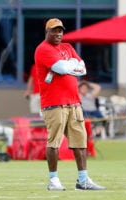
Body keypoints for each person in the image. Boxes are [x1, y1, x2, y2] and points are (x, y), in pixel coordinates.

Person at [34, 18, 105, 191]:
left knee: (80, 142)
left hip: (74, 102)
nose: (58, 34)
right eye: (54, 31)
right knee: (54, 142)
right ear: (47, 32)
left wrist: (70, 66)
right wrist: (71, 66)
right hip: (54, 103)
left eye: (60, 31)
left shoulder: (68, 47)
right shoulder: (43, 49)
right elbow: (63, 69)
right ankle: (53, 180)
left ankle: (83, 180)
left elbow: (83, 68)